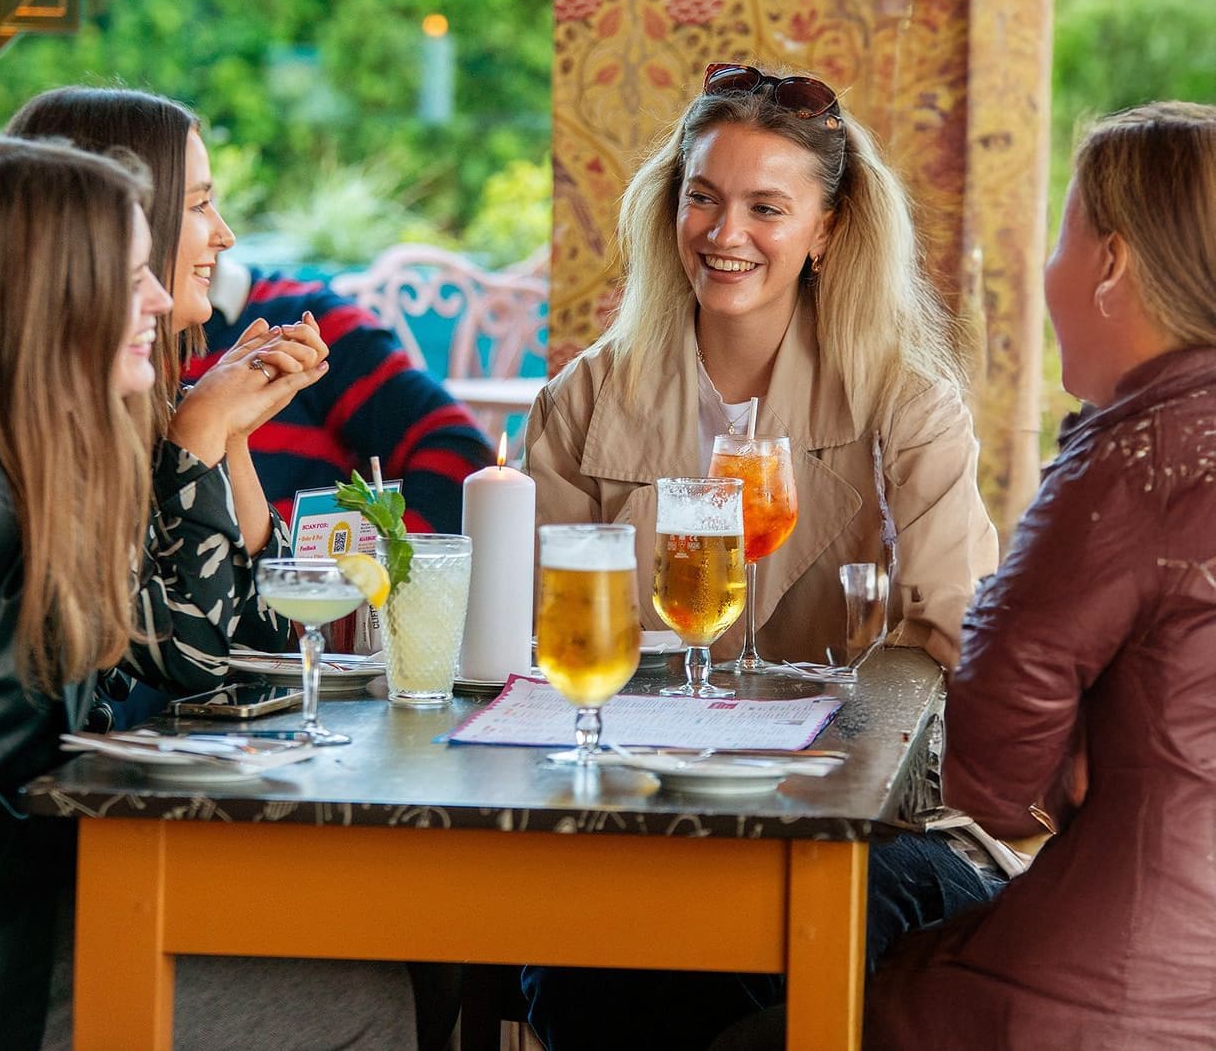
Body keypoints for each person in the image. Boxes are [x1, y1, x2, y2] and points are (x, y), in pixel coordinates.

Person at [0, 139, 418, 1051]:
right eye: (130, 272)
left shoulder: (22, 445)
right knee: (356, 1005)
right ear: (52, 291)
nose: (155, 298)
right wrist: (90, 835)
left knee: (357, 960)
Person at [520, 62, 1001, 1049]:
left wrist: (816, 764)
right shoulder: (583, 399)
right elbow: (545, 642)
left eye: (764, 207)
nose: (723, 233)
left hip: (861, 819)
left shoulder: (904, 404)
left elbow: (942, 632)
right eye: (702, 197)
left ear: (824, 229)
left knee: (776, 948)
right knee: (582, 968)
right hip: (636, 817)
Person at [865, 102, 1216, 1049]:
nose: (1045, 273)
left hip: (1121, 992)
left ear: (1112, 265)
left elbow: (988, 774)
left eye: (1062, 237)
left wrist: (1075, 756)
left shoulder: (1131, 464)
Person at [6, 87, 330, 701]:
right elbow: (191, 655)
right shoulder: (43, 433)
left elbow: (271, 635)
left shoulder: (137, 403)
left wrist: (230, 433)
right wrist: (200, 431)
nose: (225, 236)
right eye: (201, 206)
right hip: (44, 796)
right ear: (109, 221)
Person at [187, 257, 494, 533]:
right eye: (197, 206)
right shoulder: (142, 354)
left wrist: (381, 570)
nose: (225, 234)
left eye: (207, 199)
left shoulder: (308, 323)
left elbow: (458, 448)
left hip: (309, 591)